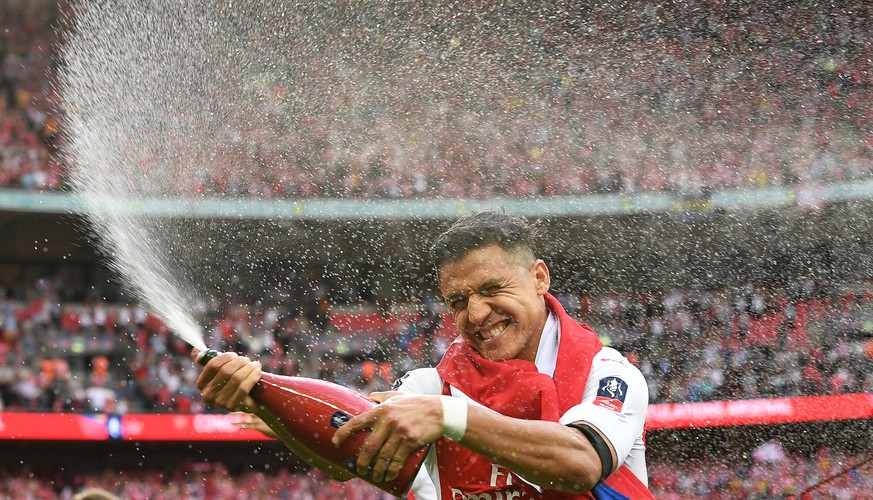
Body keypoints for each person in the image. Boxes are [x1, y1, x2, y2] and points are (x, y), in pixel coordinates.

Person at [195, 210, 652, 499]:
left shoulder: (608, 372)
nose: (475, 313)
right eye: (457, 300)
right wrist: (262, 397)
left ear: (539, 278)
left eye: (493, 289)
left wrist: (450, 416)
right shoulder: (433, 384)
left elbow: (580, 466)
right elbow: (345, 455)